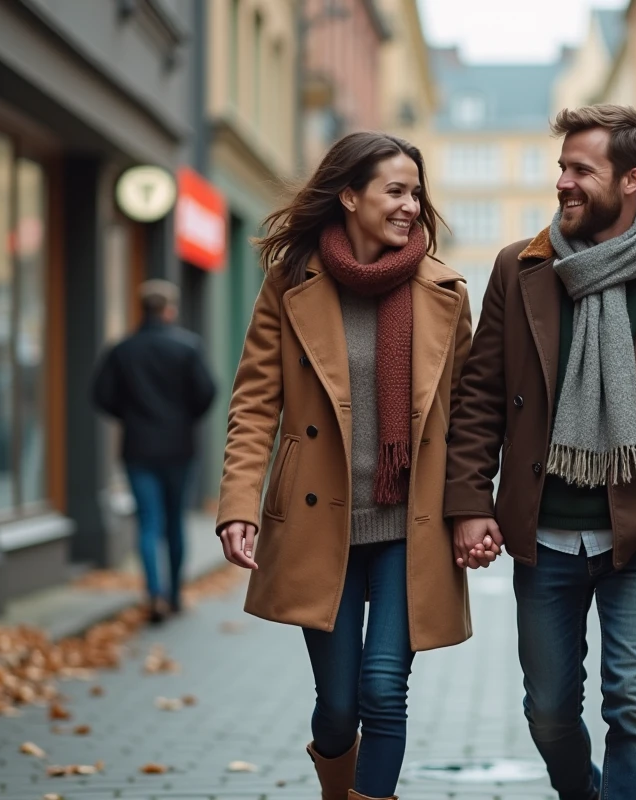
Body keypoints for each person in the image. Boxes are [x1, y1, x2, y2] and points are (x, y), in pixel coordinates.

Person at [445, 105, 636, 800]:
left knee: (633, 705)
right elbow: (479, 399)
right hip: (541, 531)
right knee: (550, 711)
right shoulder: (519, 268)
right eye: (562, 167)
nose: (563, 182)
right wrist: (470, 502)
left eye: (581, 169)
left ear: (632, 180)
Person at [214, 132, 477, 800]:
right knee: (337, 706)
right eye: (396, 190)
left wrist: (475, 502)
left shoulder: (444, 293)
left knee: (383, 690)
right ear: (350, 195)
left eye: (416, 192)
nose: (412, 206)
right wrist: (238, 506)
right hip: (318, 522)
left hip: (408, 524)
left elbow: (472, 414)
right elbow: (253, 405)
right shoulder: (291, 285)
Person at [93, 280, 216, 624]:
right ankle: (174, 594)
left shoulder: (123, 350)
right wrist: (183, 418)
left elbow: (101, 395)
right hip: (179, 447)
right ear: (169, 309)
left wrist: (130, 417)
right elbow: (206, 393)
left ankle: (154, 594)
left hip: (138, 447)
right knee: (175, 522)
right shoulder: (188, 347)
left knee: (148, 523)